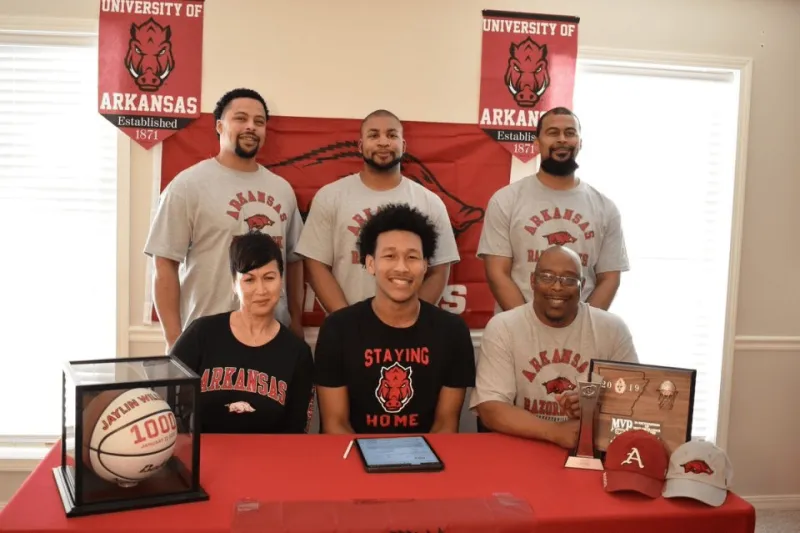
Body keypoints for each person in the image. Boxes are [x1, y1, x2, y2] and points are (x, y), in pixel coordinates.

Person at [144, 88, 305, 352]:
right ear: (219, 126)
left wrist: (296, 321)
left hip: (272, 336)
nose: (251, 126)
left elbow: (294, 260)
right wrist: (174, 340)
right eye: (240, 118)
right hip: (208, 338)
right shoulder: (187, 186)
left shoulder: (282, 190)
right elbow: (164, 264)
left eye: (259, 121)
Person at [313, 203, 475, 434]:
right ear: (370, 263)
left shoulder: (452, 332)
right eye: (389, 256)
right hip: (353, 453)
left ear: (425, 265)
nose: (401, 267)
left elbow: (445, 425)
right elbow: (335, 424)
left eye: (412, 257)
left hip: (427, 454)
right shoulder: (338, 329)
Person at [469, 245, 638, 449]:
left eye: (569, 279)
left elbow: (636, 400)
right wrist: (555, 432)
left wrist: (596, 405)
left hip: (592, 450)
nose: (557, 287)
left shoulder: (612, 329)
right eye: (547, 277)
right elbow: (490, 408)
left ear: (582, 285)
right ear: (533, 281)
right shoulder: (503, 326)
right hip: (521, 448)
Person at [295, 109, 459, 313]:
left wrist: (411, 319)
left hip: (410, 326)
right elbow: (316, 265)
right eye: (373, 135)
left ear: (403, 146)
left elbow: (438, 271)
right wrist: (345, 321)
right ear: (360, 145)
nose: (383, 142)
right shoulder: (330, 197)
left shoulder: (429, 202)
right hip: (347, 325)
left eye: (391, 135)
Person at [477, 106, 629, 313]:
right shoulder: (505, 200)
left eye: (570, 133)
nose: (562, 139)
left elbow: (609, 278)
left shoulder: (605, 208)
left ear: (580, 143)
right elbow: (497, 273)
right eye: (553, 133)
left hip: (583, 329)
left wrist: (584, 325)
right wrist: (526, 324)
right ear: (537, 143)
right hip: (516, 326)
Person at [169, 231, 314, 434]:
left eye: (269, 278)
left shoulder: (297, 353)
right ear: (234, 285)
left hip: (268, 454)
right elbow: (167, 403)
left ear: (281, 280)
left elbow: (295, 431)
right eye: (249, 280)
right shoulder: (201, 335)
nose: (261, 290)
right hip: (202, 452)